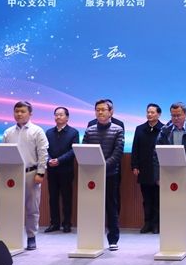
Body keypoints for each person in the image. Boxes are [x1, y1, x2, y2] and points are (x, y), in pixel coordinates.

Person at [155, 102, 186, 252]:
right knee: (169, 208)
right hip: (169, 176)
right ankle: (171, 240)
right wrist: (158, 176)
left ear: (185, 115)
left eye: (178, 115)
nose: (175, 118)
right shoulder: (165, 131)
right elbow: (156, 154)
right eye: (173, 115)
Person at [2, 101, 49, 250]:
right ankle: (12, 236)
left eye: (22, 111)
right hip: (11, 175)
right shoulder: (8, 132)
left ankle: (31, 237)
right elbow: (1, 154)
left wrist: (40, 173)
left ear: (30, 113)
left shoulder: (37, 131)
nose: (19, 114)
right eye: (16, 111)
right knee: (11, 206)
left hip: (31, 174)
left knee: (32, 208)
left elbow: (43, 154)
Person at [82, 99, 124, 251]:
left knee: (111, 207)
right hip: (91, 175)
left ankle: (113, 239)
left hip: (110, 174)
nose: (100, 112)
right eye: (97, 110)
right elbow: (84, 149)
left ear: (110, 112)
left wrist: (103, 166)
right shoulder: (89, 130)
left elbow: (118, 153)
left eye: (103, 110)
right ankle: (92, 238)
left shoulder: (118, 129)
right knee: (91, 206)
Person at [44, 106, 79, 234]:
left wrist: (59, 160)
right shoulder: (48, 132)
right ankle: (54, 223)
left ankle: (67, 223)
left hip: (66, 169)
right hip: (52, 169)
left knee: (66, 197)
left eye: (61, 114)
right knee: (53, 197)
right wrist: (49, 159)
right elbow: (44, 149)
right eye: (56, 114)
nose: (58, 117)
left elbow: (73, 150)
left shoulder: (73, 132)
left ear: (67, 117)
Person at [131, 103, 164, 234]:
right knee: (146, 198)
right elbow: (135, 148)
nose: (149, 114)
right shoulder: (140, 129)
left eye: (152, 112)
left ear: (158, 114)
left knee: (157, 198)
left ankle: (156, 224)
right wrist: (135, 165)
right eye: (148, 112)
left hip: (158, 169)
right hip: (144, 168)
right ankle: (147, 222)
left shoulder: (164, 129)